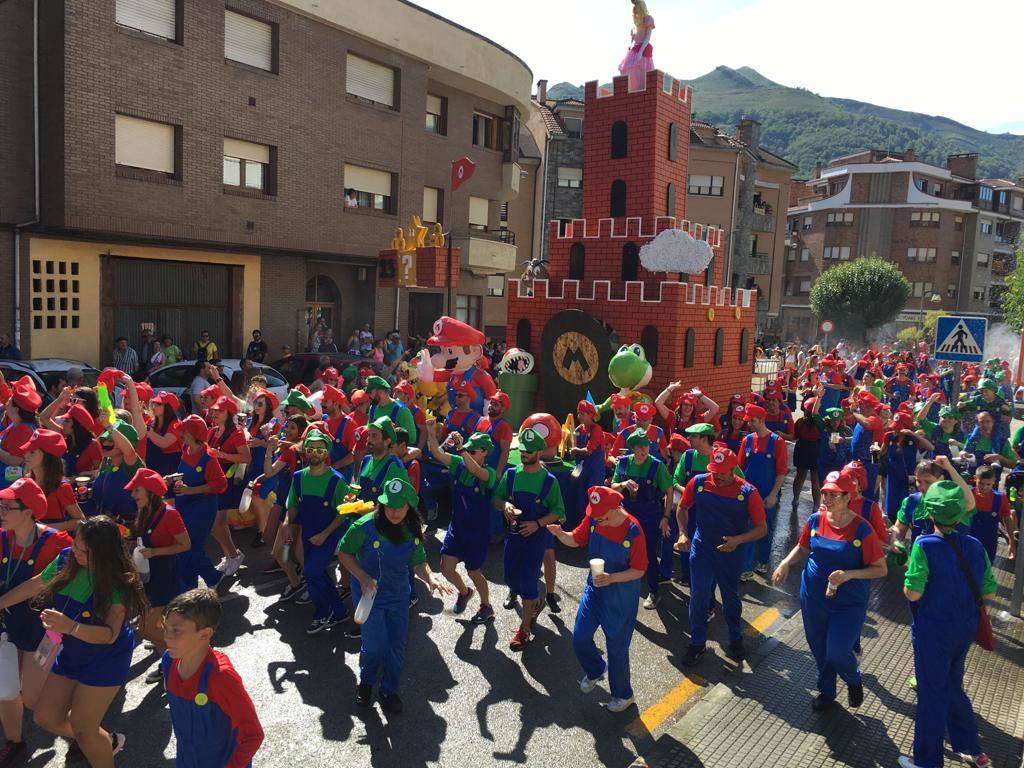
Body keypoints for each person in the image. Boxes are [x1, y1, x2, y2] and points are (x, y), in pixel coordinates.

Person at [0, 516, 147, 767]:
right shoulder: (67, 558)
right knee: (45, 717)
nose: (75, 552)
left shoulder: (117, 583)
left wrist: (71, 627)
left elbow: (109, 634)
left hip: (105, 658)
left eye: (83, 551)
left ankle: (96, 743)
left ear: (103, 553)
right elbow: (36, 584)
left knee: (84, 730)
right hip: (73, 651)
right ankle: (108, 741)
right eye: (76, 545)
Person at [898, 481, 996, 768]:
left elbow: (913, 593)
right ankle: (971, 749)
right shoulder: (976, 545)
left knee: (932, 694)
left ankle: (927, 761)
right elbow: (989, 592)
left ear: (930, 514)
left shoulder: (923, 545)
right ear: (960, 515)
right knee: (953, 685)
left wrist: (909, 578)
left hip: (932, 631)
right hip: (964, 629)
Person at [773, 471, 887, 711]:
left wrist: (850, 574)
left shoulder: (862, 530)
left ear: (848, 497)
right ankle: (826, 691)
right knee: (819, 649)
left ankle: (853, 679)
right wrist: (785, 563)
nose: (827, 498)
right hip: (813, 598)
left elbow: (880, 569)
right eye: (825, 493)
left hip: (848, 603)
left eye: (833, 494)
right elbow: (803, 547)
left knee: (837, 652)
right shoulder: (815, 520)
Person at [337, 478, 452, 713]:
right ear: (381, 505)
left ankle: (389, 690)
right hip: (370, 596)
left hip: (398, 595)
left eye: (400, 506)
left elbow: (419, 563)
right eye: (389, 506)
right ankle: (366, 684)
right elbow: (344, 553)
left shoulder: (411, 531)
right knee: (375, 645)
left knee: (396, 646)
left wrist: (430, 578)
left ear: (409, 506)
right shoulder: (362, 527)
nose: (395, 511)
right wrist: (362, 577)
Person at [548, 486, 646, 713]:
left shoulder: (633, 531)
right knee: (580, 638)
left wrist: (612, 578)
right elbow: (576, 539)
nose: (596, 520)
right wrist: (561, 534)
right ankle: (596, 669)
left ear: (615, 509)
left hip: (620, 599)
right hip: (595, 591)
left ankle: (624, 695)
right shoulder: (594, 519)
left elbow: (639, 570)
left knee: (617, 650)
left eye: (601, 517)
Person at [0, 478, 73, 764]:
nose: (1, 511)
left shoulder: (56, 542)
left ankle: (83, 733)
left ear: (29, 511)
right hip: (7, 627)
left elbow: (37, 585)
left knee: (33, 699)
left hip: (42, 630)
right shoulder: (2, 537)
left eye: (7, 507)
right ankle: (15, 741)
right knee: (5, 692)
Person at [678, 447, 767, 665]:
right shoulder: (699, 483)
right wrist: (682, 533)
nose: (716, 476)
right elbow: (682, 507)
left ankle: (735, 638)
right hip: (702, 549)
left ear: (733, 469)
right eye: (714, 471)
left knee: (730, 598)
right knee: (698, 597)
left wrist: (738, 540)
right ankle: (697, 643)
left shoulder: (748, 492)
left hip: (730, 552)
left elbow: (762, 528)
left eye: (722, 472)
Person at [161, 588, 264, 767]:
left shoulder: (220, 678)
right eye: (165, 628)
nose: (166, 637)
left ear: (205, 634)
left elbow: (253, 734)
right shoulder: (169, 661)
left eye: (176, 631)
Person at [493, 426, 565, 651]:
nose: (524, 454)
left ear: (539, 452)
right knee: (510, 577)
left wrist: (537, 524)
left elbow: (558, 512)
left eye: (529, 451)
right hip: (513, 537)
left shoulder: (549, 481)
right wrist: (505, 505)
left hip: (536, 539)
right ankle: (535, 602)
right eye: (523, 450)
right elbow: (496, 499)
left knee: (527, 582)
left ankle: (524, 629)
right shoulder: (512, 474)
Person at [123, 468, 191, 683]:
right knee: (155, 625)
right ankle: (171, 663)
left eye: (137, 491)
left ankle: (181, 660)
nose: (133, 495)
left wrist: (155, 552)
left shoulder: (170, 514)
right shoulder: (144, 511)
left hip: (164, 574)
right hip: (148, 572)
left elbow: (185, 544)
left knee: (145, 629)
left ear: (151, 492)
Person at [425, 422, 496, 623]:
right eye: (469, 449)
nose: (469, 452)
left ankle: (486, 606)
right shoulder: (459, 462)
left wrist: (462, 449)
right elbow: (437, 454)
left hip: (477, 532)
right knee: (446, 568)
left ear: (484, 453)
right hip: (457, 527)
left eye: (473, 450)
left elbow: (477, 472)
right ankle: (464, 592)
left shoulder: (488, 473)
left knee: (474, 571)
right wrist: (430, 434)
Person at [282, 430, 351, 633]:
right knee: (314, 573)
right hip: (308, 534)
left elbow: (343, 514)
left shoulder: (337, 481)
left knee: (311, 571)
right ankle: (339, 611)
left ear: (326, 452)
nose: (314, 453)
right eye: (310, 449)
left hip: (328, 535)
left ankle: (322, 612)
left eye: (319, 450)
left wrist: (325, 534)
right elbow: (293, 505)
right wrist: (287, 522)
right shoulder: (298, 478)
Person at [611, 430, 672, 609]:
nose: (643, 451)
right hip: (626, 517)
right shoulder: (622, 463)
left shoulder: (656, 466)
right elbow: (613, 489)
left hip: (650, 517)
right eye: (639, 447)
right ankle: (623, 588)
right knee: (623, 553)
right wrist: (622, 484)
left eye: (646, 446)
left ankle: (653, 592)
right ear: (632, 448)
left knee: (649, 555)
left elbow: (668, 490)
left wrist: (666, 517)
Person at [173, 415, 228, 591]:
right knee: (191, 548)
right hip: (184, 506)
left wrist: (191, 490)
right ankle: (212, 577)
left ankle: (188, 589)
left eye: (185, 430)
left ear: (194, 433)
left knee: (188, 549)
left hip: (202, 509)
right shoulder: (186, 448)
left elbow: (220, 484)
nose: (180, 433)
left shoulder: (208, 456)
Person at [739, 404, 788, 578]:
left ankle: (763, 561)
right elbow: (740, 468)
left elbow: (782, 471)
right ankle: (745, 568)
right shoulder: (747, 441)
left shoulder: (777, 442)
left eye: (752, 421)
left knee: (765, 529)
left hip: (768, 494)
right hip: (748, 494)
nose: (749, 424)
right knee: (749, 527)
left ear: (761, 420)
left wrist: (773, 494)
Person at [207, 397, 247, 577]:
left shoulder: (236, 433)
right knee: (218, 524)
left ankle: (233, 555)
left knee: (216, 524)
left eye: (219, 411)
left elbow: (246, 458)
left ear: (229, 414)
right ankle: (231, 555)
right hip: (213, 480)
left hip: (226, 481)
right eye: (214, 410)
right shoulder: (212, 432)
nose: (214, 413)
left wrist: (220, 454)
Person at [20, 430, 85, 532]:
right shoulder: (25, 481)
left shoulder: (61, 487)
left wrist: (43, 529)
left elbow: (80, 520)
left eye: (32, 452)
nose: (25, 455)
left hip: (52, 543)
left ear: (47, 457)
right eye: (27, 450)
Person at [90, 419, 142, 521]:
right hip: (103, 522)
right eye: (104, 440)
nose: (105, 444)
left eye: (110, 441)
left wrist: (109, 426)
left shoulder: (131, 464)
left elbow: (129, 451)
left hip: (126, 526)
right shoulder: (107, 462)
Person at [0, 377, 41, 492]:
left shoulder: (23, 429)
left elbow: (15, 460)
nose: (7, 402)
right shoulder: (17, 424)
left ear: (16, 409)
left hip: (9, 486)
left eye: (10, 400)